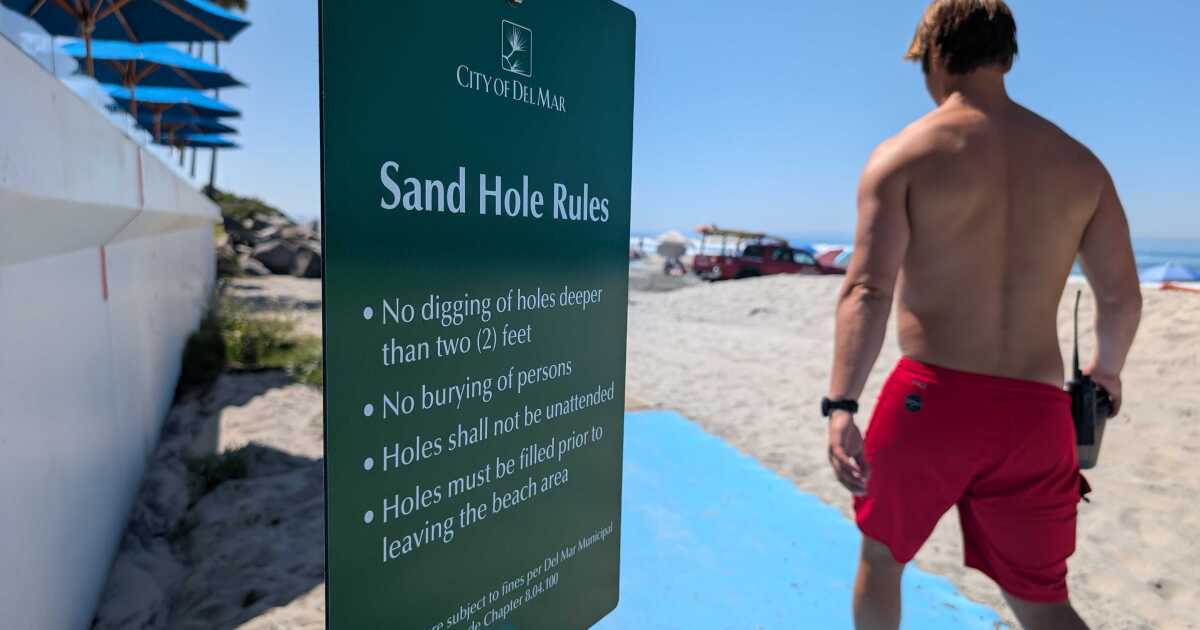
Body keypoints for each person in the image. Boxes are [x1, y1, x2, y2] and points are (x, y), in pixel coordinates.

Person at [821, 2, 1143, 629]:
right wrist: (1107, 371)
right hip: (1037, 412)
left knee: (883, 560)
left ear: (937, 53)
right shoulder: (1081, 165)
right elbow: (1122, 296)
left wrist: (842, 405)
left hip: (931, 400)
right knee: (1042, 599)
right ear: (1006, 54)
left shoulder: (904, 155)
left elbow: (867, 290)